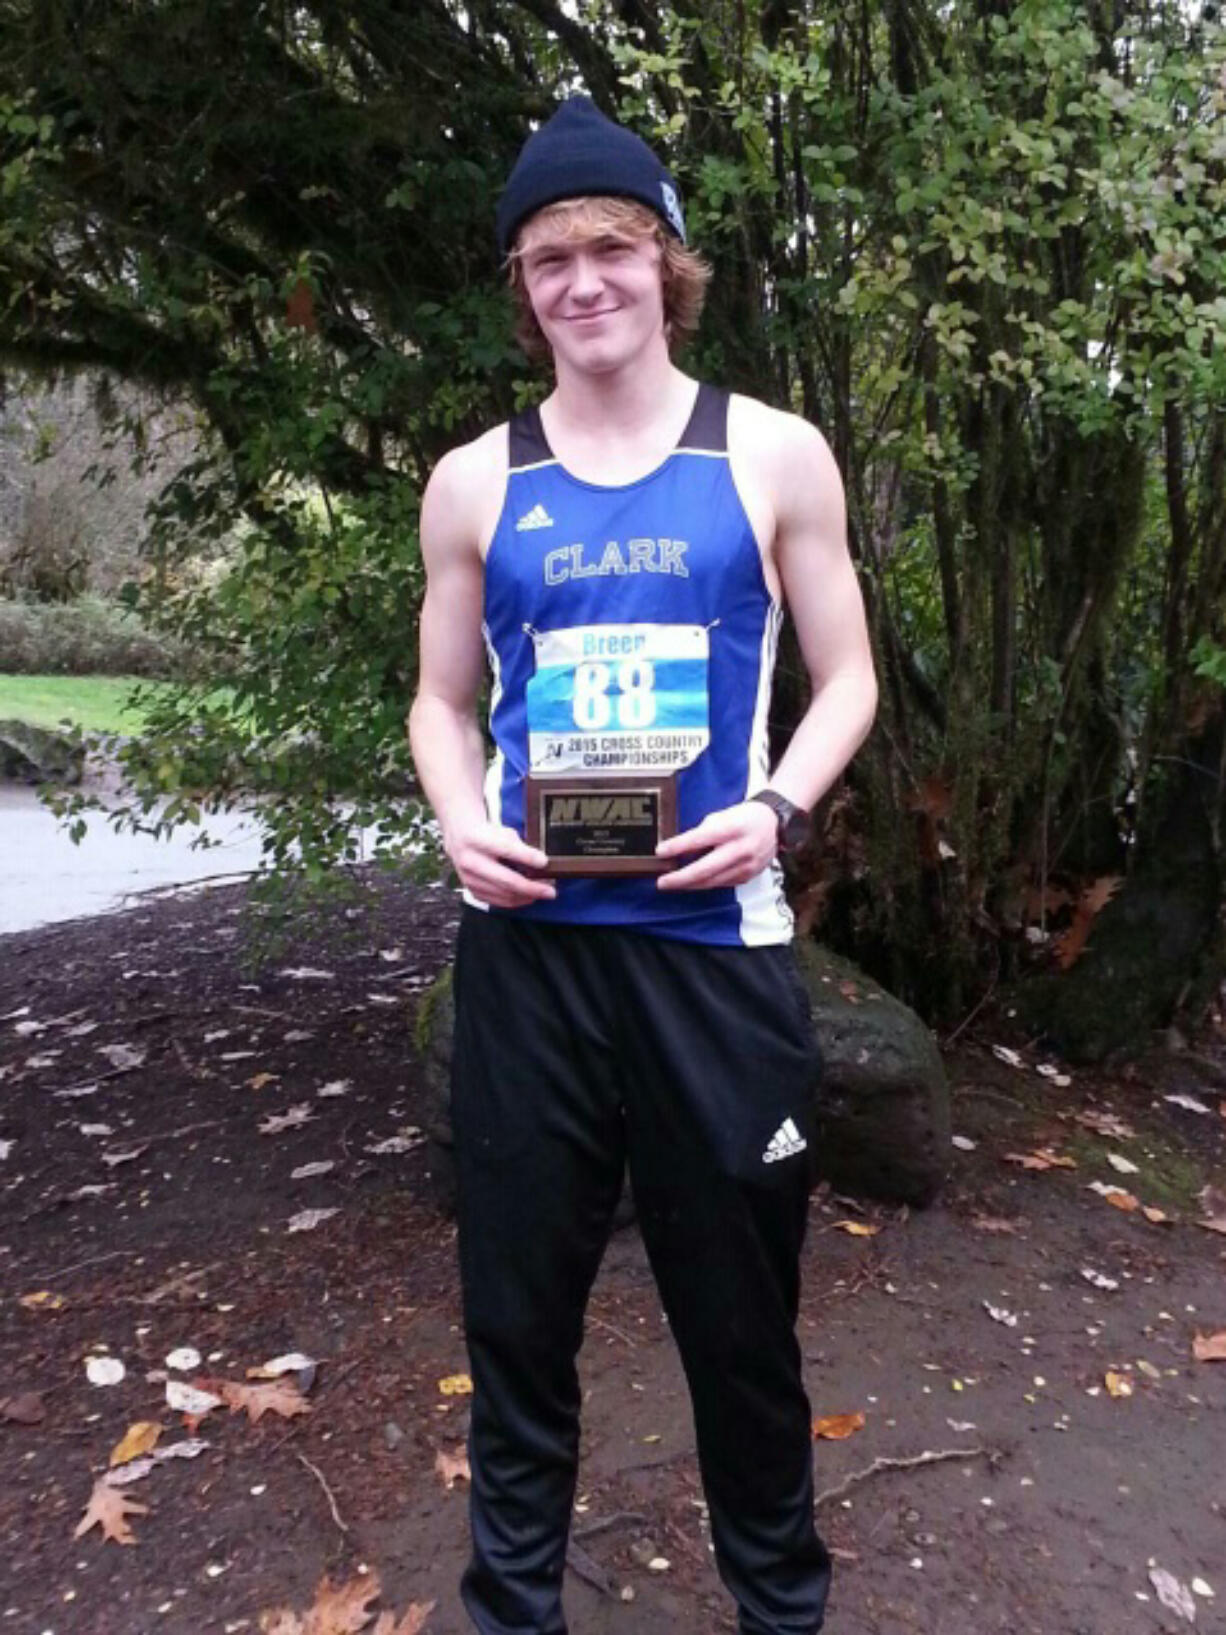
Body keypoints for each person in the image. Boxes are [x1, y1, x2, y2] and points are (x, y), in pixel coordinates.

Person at [408, 95, 877, 1635]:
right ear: (521, 284)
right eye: (548, 257)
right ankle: (510, 1611)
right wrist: (454, 812)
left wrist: (784, 810)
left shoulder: (770, 453)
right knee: (518, 1320)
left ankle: (779, 1608)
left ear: (662, 263)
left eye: (610, 245)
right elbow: (439, 698)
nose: (581, 279)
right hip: (531, 955)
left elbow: (849, 676)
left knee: (740, 1323)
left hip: (711, 953)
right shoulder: (476, 480)